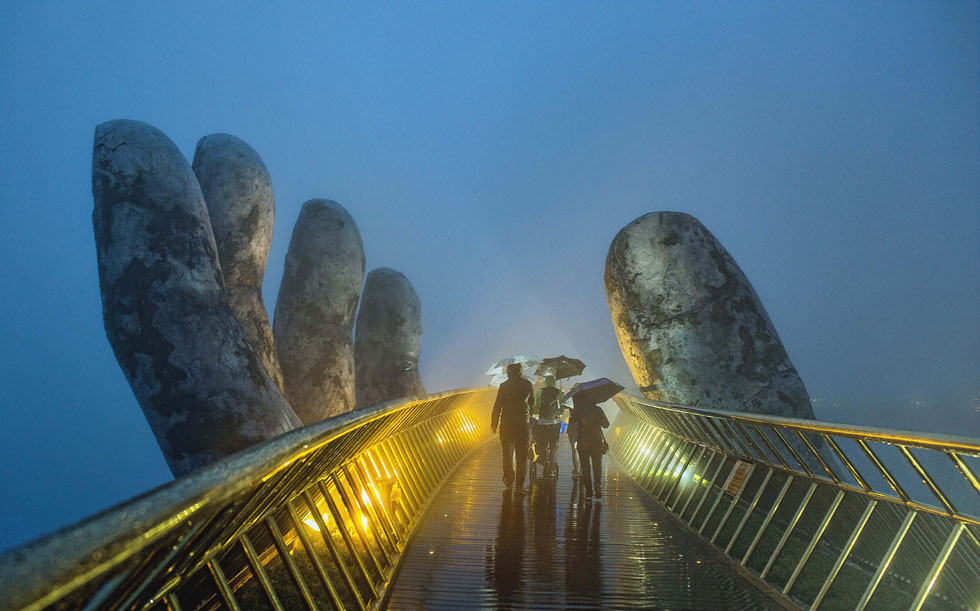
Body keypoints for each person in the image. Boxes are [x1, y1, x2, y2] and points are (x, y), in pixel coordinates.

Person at [491, 363, 533, 493]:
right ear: (520, 372)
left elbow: (498, 405)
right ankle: (520, 485)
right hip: (522, 423)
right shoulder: (527, 384)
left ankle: (509, 477)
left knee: (507, 453)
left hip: (507, 424)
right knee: (522, 455)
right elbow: (532, 403)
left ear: (508, 373)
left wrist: (494, 423)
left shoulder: (504, 386)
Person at [568, 394, 609, 499]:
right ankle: (597, 484)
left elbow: (572, 422)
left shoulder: (578, 411)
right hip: (596, 442)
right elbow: (606, 425)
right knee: (597, 465)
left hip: (583, 442)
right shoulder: (598, 410)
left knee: (585, 468)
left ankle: (588, 493)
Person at [531, 375, 563, 478]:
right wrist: (558, 412)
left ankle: (544, 461)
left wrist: (537, 414)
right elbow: (561, 409)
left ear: (546, 382)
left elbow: (535, 407)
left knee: (542, 443)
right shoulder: (559, 392)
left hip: (542, 422)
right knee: (554, 446)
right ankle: (551, 468)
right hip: (555, 423)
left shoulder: (540, 392)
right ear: (554, 382)